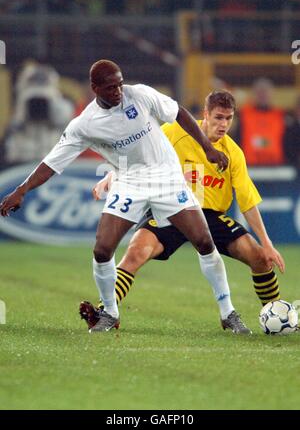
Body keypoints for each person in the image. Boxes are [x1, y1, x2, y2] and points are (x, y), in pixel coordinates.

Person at [0, 60, 249, 335]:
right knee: (102, 249)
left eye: (120, 83)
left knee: (203, 241)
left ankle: (228, 313)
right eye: (111, 87)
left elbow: (178, 112)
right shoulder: (85, 124)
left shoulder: (139, 94)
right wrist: (21, 190)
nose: (119, 90)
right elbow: (52, 163)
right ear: (95, 89)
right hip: (129, 182)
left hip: (166, 176)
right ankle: (110, 312)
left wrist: (207, 149)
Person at [81, 90, 285, 331]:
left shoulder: (233, 153)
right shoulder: (176, 132)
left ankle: (277, 316)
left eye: (229, 118)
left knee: (260, 258)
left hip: (211, 216)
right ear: (206, 115)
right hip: (173, 209)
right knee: (136, 253)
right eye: (219, 117)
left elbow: (247, 201)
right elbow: (141, 152)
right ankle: (105, 312)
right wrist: (111, 174)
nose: (224, 124)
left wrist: (267, 243)